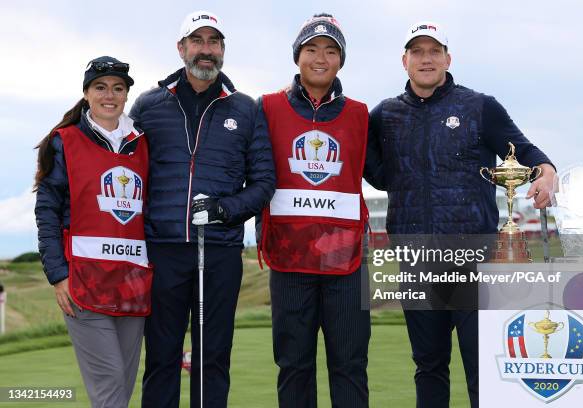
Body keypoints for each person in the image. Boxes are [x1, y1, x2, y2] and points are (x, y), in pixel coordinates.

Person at [364, 22, 556, 408]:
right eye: (417, 52)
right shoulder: (384, 115)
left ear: (448, 59)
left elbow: (525, 152)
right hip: (416, 257)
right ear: (405, 61)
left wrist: (547, 172)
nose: (426, 59)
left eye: (434, 51)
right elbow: (371, 167)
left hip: (474, 257)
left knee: (483, 366)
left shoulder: (479, 106)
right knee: (429, 366)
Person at [129, 10, 275, 408]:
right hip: (163, 249)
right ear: (182, 49)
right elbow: (126, 170)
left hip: (220, 251)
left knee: (212, 359)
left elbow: (264, 183)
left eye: (214, 42)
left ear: (223, 50)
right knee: (161, 357)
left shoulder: (246, 109)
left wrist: (224, 210)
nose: (206, 50)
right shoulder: (148, 105)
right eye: (198, 41)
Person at [258, 13, 370, 408]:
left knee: (350, 365)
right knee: (293, 366)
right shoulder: (267, 107)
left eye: (330, 50)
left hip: (348, 260)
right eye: (311, 49)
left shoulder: (359, 113)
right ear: (297, 56)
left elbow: (384, 172)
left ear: (341, 60)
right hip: (289, 260)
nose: (320, 57)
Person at [35, 56, 151, 408]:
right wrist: (58, 275)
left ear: (127, 95)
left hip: (134, 280)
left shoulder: (143, 142)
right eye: (100, 87)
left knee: (123, 384)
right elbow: (47, 212)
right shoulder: (64, 141)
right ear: (86, 93)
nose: (109, 95)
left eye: (118, 88)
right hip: (83, 280)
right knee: (110, 381)